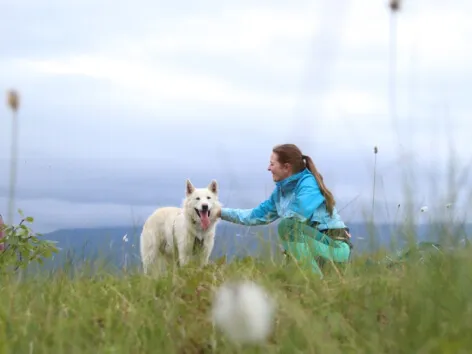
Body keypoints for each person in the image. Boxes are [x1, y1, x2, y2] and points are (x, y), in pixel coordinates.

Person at [216, 143, 352, 277]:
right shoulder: (280, 192)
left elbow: (297, 215)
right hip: (313, 247)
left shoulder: (308, 184)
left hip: (334, 248)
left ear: (286, 167)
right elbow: (255, 215)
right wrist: (219, 212)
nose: (268, 168)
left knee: (287, 226)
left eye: (272, 164)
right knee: (282, 279)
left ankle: (315, 282)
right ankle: (311, 279)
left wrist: (288, 244)